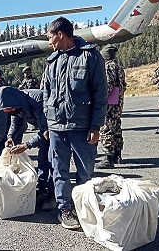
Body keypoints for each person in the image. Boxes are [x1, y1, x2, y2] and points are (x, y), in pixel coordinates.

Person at [43, 17, 107, 229]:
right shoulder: (52, 61)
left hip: (82, 127)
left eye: (50, 37)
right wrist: (48, 123)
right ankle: (65, 209)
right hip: (56, 128)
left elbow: (100, 93)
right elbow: (46, 94)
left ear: (60, 34)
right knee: (59, 170)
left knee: (85, 171)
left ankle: (84, 206)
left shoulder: (90, 56)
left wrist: (96, 126)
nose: (49, 42)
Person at [0, 86, 55, 210]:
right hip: (45, 131)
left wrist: (27, 145)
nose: (8, 112)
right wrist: (10, 137)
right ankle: (41, 189)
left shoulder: (38, 101)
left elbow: (45, 131)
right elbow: (15, 123)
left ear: (14, 103)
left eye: (9, 109)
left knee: (53, 161)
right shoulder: (17, 105)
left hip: (54, 129)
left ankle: (53, 194)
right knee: (42, 159)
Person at [95, 44, 127, 169]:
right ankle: (117, 154)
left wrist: (100, 99)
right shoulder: (119, 67)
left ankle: (108, 157)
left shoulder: (108, 67)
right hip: (118, 103)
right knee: (117, 128)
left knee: (106, 128)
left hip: (109, 103)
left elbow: (108, 86)